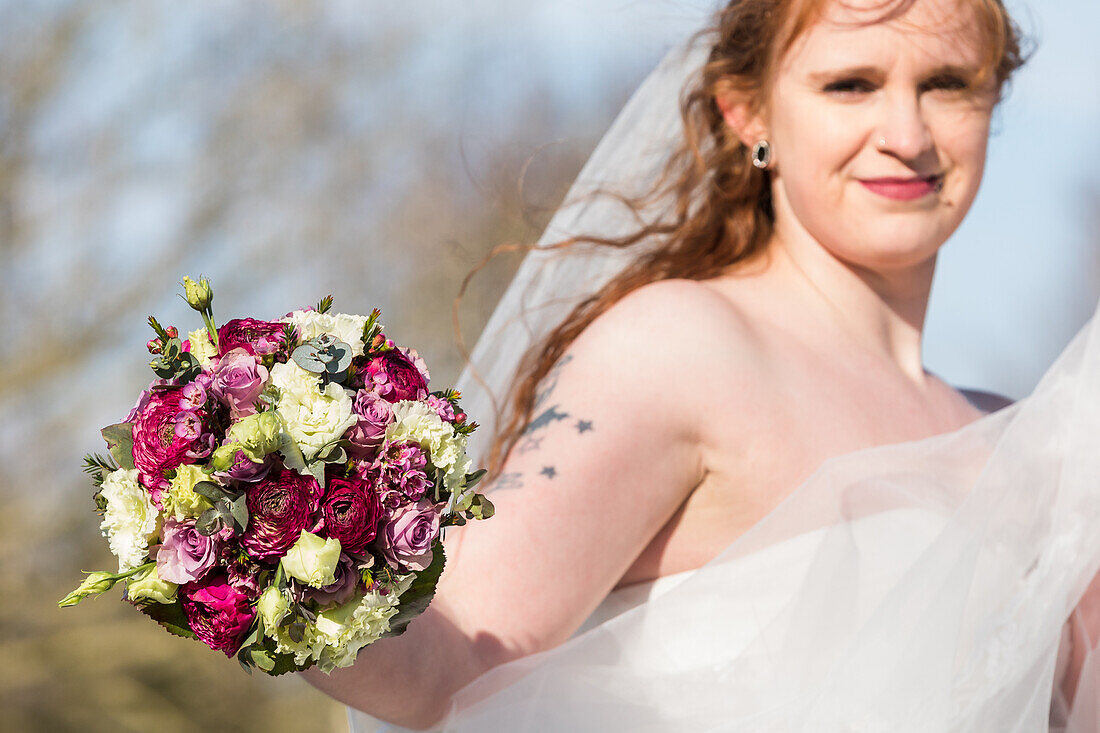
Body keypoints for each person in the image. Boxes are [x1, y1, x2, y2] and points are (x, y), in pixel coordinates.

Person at [306, 0, 1100, 730]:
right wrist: (273, 557)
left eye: (947, 83)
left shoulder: (1032, 444)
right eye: (850, 84)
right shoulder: (683, 346)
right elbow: (463, 652)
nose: (908, 133)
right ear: (748, 111)